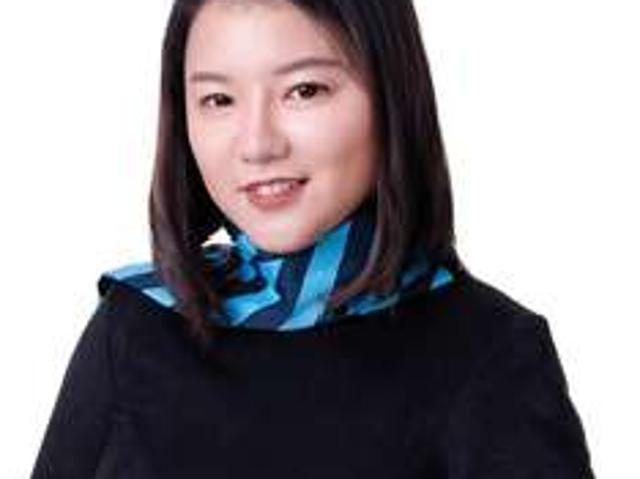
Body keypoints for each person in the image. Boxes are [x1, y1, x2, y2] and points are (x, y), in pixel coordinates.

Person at [31, 0, 596, 477]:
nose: (257, 144)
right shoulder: (136, 323)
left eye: (304, 90)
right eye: (218, 100)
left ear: (392, 95)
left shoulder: (490, 354)